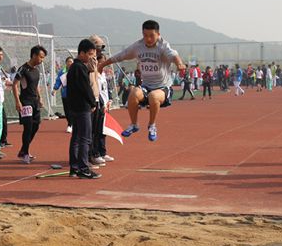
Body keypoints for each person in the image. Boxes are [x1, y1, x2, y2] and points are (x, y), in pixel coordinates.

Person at [98, 20, 185, 142]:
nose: (148, 39)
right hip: (146, 86)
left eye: (151, 36)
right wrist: (103, 64)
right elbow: (121, 55)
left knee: (153, 96)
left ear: (158, 34)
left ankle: (152, 125)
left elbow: (174, 55)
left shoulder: (163, 46)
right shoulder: (138, 46)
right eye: (145, 35)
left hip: (162, 88)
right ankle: (134, 124)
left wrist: (179, 64)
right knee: (133, 93)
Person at [66, 39, 101, 179]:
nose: (92, 57)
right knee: (85, 138)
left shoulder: (75, 67)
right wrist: (93, 103)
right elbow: (86, 89)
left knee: (76, 137)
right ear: (81, 53)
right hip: (82, 108)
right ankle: (84, 168)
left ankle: (74, 168)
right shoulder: (80, 68)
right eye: (90, 54)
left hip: (75, 107)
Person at [12, 45, 47, 164]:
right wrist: (17, 101)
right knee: (28, 127)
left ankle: (23, 150)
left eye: (43, 58)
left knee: (35, 126)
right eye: (41, 57)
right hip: (25, 102)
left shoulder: (36, 70)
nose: (42, 60)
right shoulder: (23, 69)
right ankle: (25, 153)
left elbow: (36, 86)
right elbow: (15, 84)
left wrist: (40, 98)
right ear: (34, 55)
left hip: (35, 101)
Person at [53, 56, 74, 132]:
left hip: (74, 94)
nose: (69, 63)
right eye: (68, 62)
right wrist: (55, 89)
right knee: (67, 110)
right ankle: (70, 124)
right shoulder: (62, 72)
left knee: (73, 109)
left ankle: (72, 124)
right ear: (66, 63)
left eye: (71, 62)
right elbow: (58, 81)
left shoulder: (76, 70)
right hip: (65, 93)